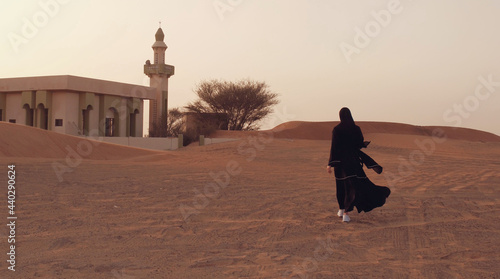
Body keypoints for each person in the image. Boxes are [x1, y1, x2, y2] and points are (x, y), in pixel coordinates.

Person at [327, 107, 391, 222]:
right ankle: (343, 210)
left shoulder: (337, 129)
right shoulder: (356, 129)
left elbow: (334, 147)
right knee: (352, 185)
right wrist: (362, 144)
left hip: (340, 164)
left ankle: (344, 211)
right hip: (353, 161)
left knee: (342, 186)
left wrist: (330, 163)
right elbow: (359, 143)